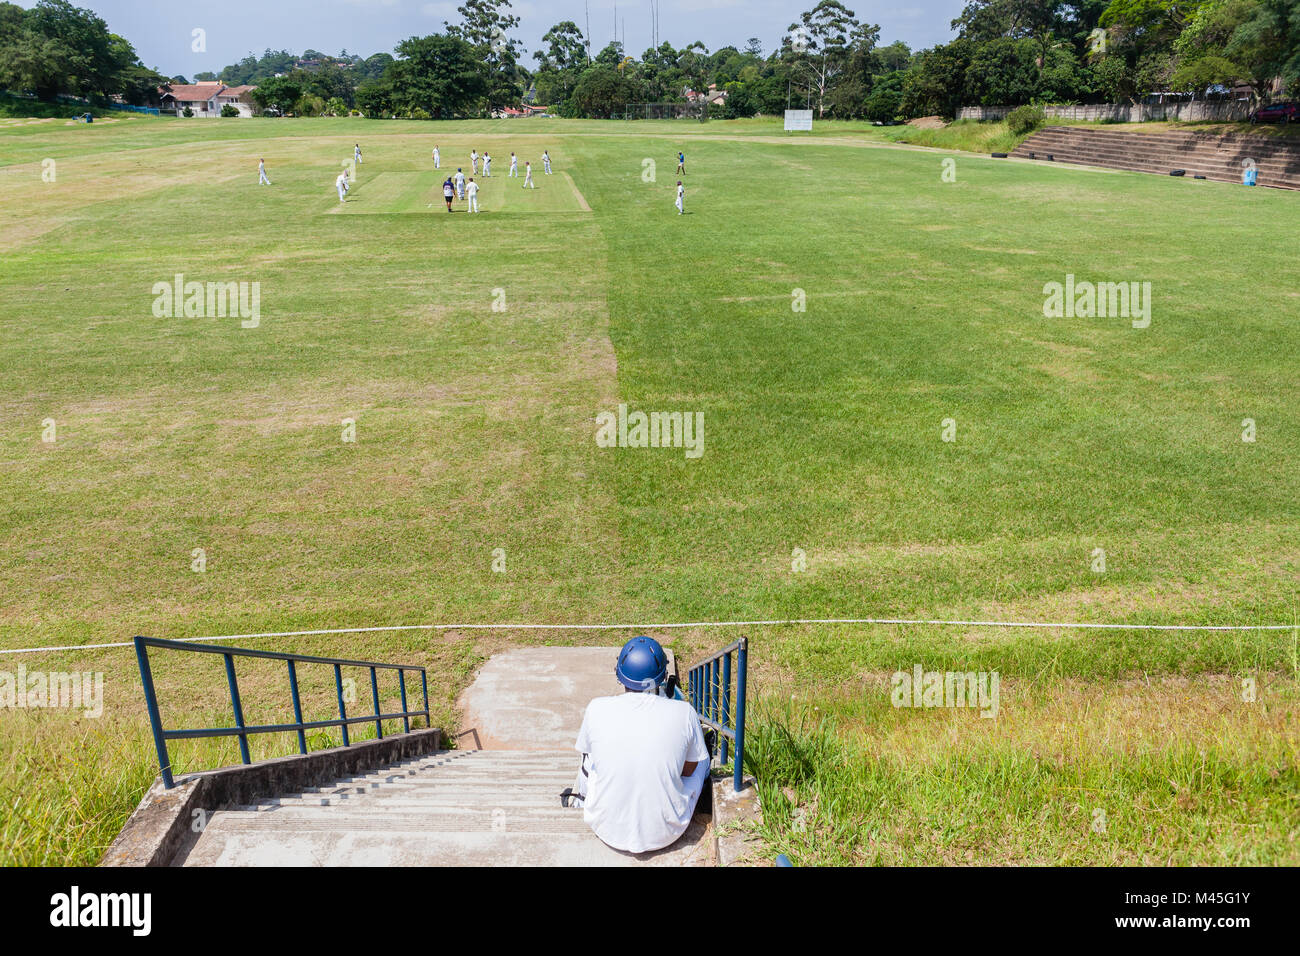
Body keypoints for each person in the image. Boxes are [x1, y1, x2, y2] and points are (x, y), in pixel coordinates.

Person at [570, 636, 710, 854]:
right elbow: (690, 769)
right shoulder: (685, 713)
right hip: (668, 831)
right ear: (663, 675)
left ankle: (582, 801)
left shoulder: (596, 708)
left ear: (620, 674)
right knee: (703, 760)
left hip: (606, 828)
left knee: (588, 755)